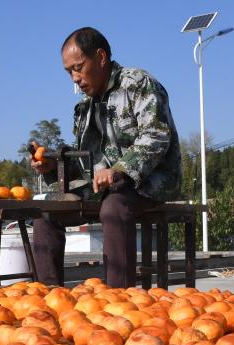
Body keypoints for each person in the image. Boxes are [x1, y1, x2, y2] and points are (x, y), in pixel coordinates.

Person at [30, 27, 182, 288]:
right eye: (69, 72)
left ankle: (118, 298)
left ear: (101, 57)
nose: (74, 79)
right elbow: (84, 166)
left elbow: (156, 136)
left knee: (113, 208)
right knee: (46, 212)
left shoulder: (137, 83)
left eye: (78, 68)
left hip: (150, 182)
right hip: (103, 188)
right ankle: (49, 297)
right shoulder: (83, 108)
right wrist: (52, 166)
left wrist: (119, 169)